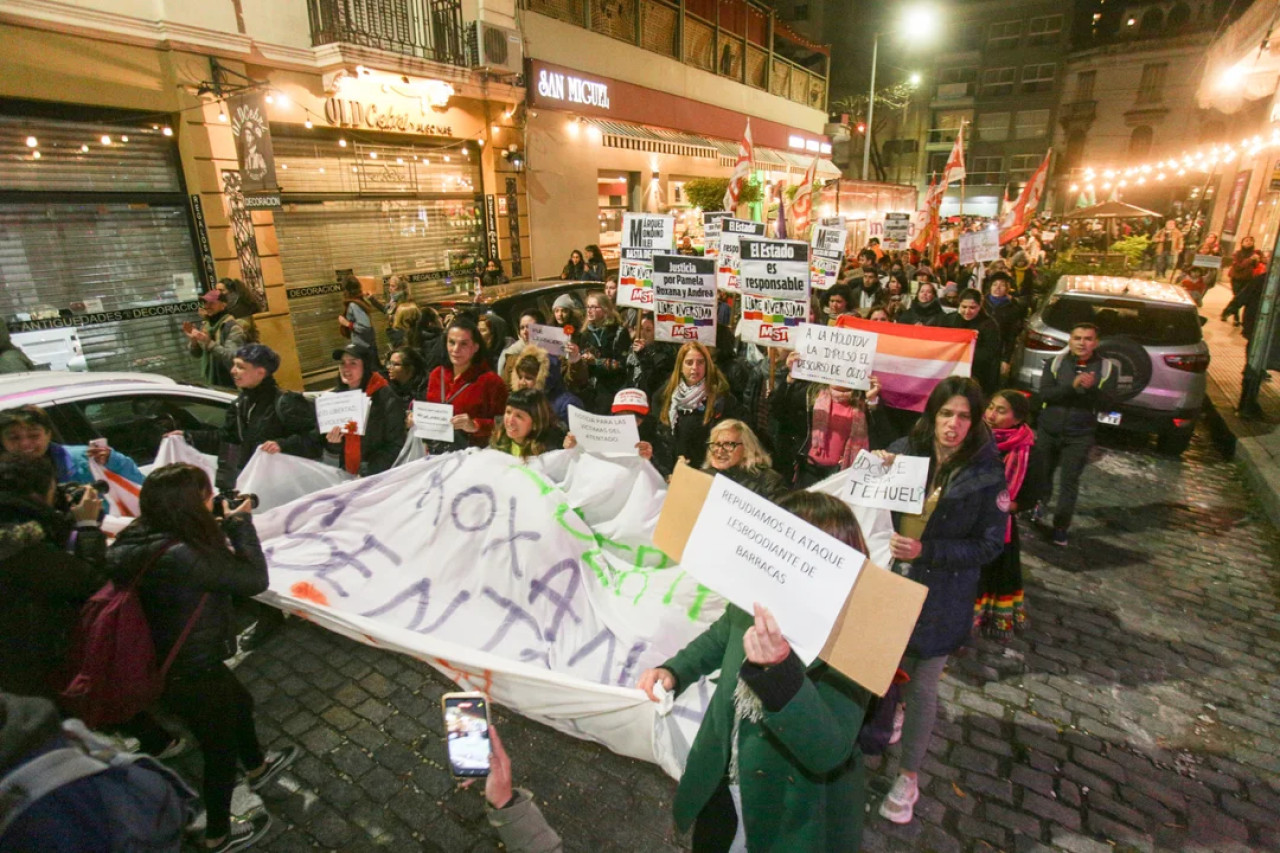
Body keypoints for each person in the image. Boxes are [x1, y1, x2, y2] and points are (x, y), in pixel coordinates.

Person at [637, 491, 872, 851]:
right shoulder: (759, 598)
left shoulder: (856, 641)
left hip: (786, 811)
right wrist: (675, 670)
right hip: (722, 777)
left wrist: (780, 673)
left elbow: (828, 750)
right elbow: (721, 636)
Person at [106, 464, 298, 851]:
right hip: (188, 669)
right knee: (219, 748)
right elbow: (253, 579)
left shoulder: (138, 537)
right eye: (208, 495)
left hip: (167, 660)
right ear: (190, 505)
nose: (214, 500)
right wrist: (241, 523)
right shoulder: (182, 552)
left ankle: (259, 766)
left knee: (240, 702)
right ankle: (217, 834)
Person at [877, 376, 1008, 825]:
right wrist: (876, 467)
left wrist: (927, 551)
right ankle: (886, 718)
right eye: (946, 414)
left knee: (924, 685)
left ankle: (908, 776)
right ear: (932, 415)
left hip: (940, 596)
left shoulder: (988, 473)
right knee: (882, 669)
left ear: (975, 423)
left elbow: (990, 546)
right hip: (889, 586)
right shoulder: (906, 451)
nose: (953, 425)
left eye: (963, 417)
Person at [0, 452, 103, 701]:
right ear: (39, 493)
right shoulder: (16, 544)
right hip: (26, 670)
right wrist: (88, 527)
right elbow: (89, 582)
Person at [1033, 323, 1117, 547]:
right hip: (1049, 429)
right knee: (1043, 473)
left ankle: (1061, 527)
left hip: (1080, 434)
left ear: (1096, 343)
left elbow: (1109, 404)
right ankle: (1039, 505)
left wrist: (1092, 389)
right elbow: (1045, 394)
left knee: (1069, 481)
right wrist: (1072, 386)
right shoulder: (1056, 363)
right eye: (1077, 338)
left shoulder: (1107, 368)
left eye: (1088, 338)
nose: (1082, 343)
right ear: (1070, 340)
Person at [769, 355, 890, 487]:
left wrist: (872, 401)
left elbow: (885, 435)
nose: (839, 371)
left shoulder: (865, 400)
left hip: (845, 476)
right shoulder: (811, 393)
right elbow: (778, 411)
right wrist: (791, 378)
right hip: (809, 472)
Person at [0, 405, 144, 514]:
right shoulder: (4, 476)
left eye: (33, 436)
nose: (25, 443)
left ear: (48, 434)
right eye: (14, 438)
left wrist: (113, 461)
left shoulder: (87, 459)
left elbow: (139, 486)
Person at [973, 390, 1035, 640]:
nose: (991, 414)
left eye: (1001, 410)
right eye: (991, 407)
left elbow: (1034, 491)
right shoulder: (974, 437)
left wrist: (1006, 506)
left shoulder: (1027, 450)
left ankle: (983, 618)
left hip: (998, 525)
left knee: (990, 573)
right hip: (968, 517)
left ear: (1018, 419)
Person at [423, 315, 508, 451]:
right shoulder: (437, 374)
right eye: (451, 342)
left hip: (475, 456)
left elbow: (505, 423)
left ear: (475, 347)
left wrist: (476, 425)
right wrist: (417, 419)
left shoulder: (491, 381)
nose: (456, 349)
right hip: (437, 454)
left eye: (463, 344)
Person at [653, 341, 738, 475]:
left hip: (706, 474)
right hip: (673, 473)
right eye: (689, 362)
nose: (694, 367)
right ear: (680, 366)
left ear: (707, 366)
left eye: (700, 362)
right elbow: (661, 439)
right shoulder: (665, 397)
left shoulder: (721, 400)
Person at [324, 342, 406, 477]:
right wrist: (334, 444)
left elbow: (395, 444)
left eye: (353, 363)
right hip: (345, 474)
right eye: (343, 363)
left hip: (378, 476)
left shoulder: (385, 397)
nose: (346, 368)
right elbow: (330, 445)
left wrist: (368, 471)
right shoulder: (335, 399)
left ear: (365, 366)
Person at [569, 291, 631, 414]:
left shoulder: (618, 332)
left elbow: (623, 364)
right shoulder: (585, 334)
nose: (589, 310)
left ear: (605, 309)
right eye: (588, 307)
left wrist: (597, 362)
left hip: (613, 387)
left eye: (594, 307)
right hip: (592, 390)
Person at [701, 419, 788, 500]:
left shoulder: (768, 482)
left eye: (728, 444)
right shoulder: (702, 476)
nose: (720, 450)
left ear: (747, 448)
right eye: (716, 444)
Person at [563, 388, 657, 463]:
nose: (628, 422)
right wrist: (573, 447)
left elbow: (663, 475)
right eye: (621, 416)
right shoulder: (600, 433)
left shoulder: (657, 438)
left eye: (636, 417)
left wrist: (649, 459)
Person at [942, 288, 1002, 395]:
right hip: (951, 372)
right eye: (964, 307)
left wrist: (966, 354)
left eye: (972, 308)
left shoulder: (989, 325)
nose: (967, 311)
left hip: (978, 375)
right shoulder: (949, 320)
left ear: (980, 306)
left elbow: (991, 352)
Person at [507, 345, 582, 427]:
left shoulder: (568, 404)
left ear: (544, 378)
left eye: (528, 378)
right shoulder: (520, 401)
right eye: (520, 377)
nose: (522, 382)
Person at [185, 289, 246, 388]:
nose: (207, 306)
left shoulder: (232, 327)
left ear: (223, 305)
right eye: (205, 303)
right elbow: (197, 354)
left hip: (231, 383)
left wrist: (209, 343)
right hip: (212, 382)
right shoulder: (206, 325)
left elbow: (232, 357)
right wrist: (194, 341)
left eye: (212, 303)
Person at [490, 390, 564, 460]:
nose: (510, 420)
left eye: (519, 416)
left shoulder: (548, 453)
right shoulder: (499, 438)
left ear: (535, 423)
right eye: (508, 412)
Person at [625, 315, 676, 402]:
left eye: (648, 330)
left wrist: (643, 355)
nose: (642, 334)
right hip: (632, 397)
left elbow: (652, 382)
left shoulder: (664, 355)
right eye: (640, 328)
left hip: (650, 400)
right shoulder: (632, 349)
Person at [984, 273, 1024, 377]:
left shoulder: (1013, 308)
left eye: (1001, 285)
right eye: (994, 284)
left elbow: (1011, 336)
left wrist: (1006, 359)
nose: (997, 288)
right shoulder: (981, 303)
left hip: (998, 353)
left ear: (1007, 288)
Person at [1222, 236, 1264, 326]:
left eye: (1251, 241)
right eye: (1246, 241)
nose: (1249, 242)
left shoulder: (1254, 254)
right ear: (1242, 243)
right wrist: (1250, 260)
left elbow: (1255, 267)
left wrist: (1256, 260)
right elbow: (1238, 266)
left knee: (1241, 299)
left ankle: (1226, 312)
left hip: (1248, 279)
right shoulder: (1237, 253)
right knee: (1237, 297)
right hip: (1237, 278)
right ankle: (1235, 318)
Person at [338, 275, 379, 357]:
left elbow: (365, 327)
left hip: (364, 347)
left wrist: (347, 323)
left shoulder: (354, 305)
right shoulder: (359, 301)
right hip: (366, 345)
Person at [386, 345, 429, 411]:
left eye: (396, 364)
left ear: (410, 368)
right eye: (389, 363)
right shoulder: (389, 389)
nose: (389, 367)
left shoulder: (424, 390)